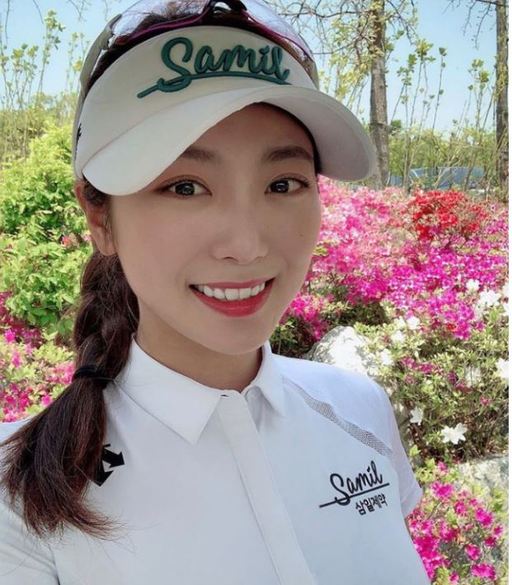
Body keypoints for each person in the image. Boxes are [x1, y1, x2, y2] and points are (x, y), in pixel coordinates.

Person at [0, 1, 431, 583]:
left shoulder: (358, 410)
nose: (246, 246)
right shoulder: (20, 496)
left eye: (283, 183)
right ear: (100, 217)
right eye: (185, 187)